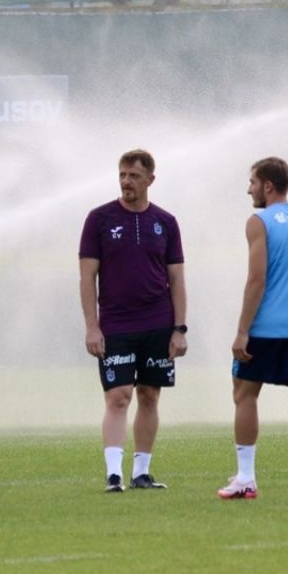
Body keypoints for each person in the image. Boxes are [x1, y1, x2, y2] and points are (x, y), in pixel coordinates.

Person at [78, 149, 187, 492]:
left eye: (134, 176)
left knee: (150, 395)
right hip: (116, 325)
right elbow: (86, 279)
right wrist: (92, 326)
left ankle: (141, 472)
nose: (126, 181)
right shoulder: (99, 219)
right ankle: (114, 474)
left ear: (150, 180)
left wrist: (179, 329)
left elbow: (177, 280)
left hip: (158, 322)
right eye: (122, 175)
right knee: (118, 396)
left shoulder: (166, 223)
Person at [221, 157, 288, 500]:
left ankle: (246, 479)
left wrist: (241, 330)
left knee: (245, 394)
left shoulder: (259, 221)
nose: (249, 188)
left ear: (267, 185)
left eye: (252, 182)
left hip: (265, 327)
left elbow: (256, 280)